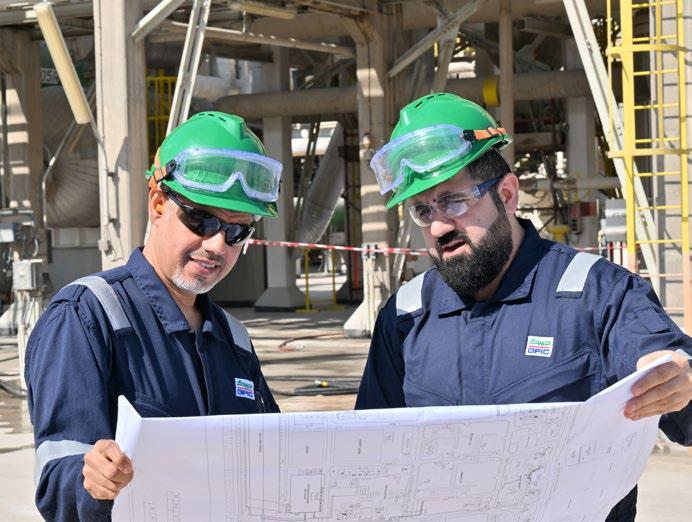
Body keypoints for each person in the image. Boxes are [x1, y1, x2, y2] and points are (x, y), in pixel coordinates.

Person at [355, 93, 692, 520]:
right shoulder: (405, 316)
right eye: (422, 210)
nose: (438, 227)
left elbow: (672, 378)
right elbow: (368, 454)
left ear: (507, 194)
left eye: (453, 201)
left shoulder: (597, 293)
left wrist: (681, 379)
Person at [25, 111, 281, 521]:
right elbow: (59, 478)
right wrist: (91, 480)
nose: (217, 245)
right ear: (159, 205)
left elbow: (271, 457)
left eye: (237, 231)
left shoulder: (234, 340)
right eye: (202, 220)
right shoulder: (86, 317)